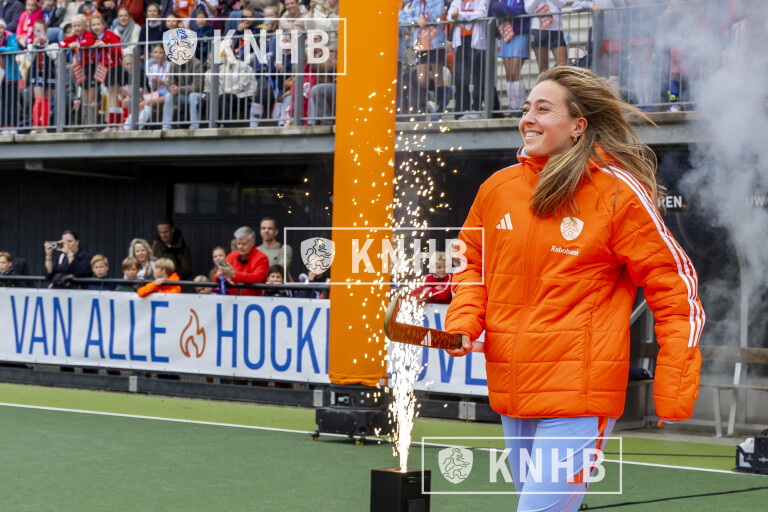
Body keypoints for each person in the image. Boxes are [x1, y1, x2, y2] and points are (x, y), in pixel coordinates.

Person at [444, 66, 704, 511]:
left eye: (543, 109)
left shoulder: (617, 192)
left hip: (580, 394)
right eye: (526, 108)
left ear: (578, 125)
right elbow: (470, 264)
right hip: (512, 389)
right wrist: (465, 320)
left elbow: (674, 285)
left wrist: (675, 382)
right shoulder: (497, 189)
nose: (527, 118)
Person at [447, 0, 500, 120]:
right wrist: (460, 16)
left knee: (479, 78)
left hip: (477, 42)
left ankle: (477, 109)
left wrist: (460, 15)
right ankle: (461, 111)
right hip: (460, 41)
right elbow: (450, 16)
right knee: (460, 78)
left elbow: (481, 14)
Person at [490, 0, 530, 113]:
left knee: (514, 72)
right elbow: (494, 8)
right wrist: (507, 10)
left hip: (520, 33)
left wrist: (503, 10)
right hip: (506, 34)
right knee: (508, 74)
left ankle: (522, 107)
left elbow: (521, 9)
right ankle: (513, 107)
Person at [59, 14, 98, 130]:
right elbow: (62, 43)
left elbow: (90, 42)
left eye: (79, 25)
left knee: (91, 97)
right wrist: (69, 44)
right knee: (84, 97)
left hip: (91, 67)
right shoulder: (74, 37)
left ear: (84, 26)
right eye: (74, 26)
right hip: (81, 68)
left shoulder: (88, 34)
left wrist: (79, 45)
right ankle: (86, 124)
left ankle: (92, 124)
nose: (76, 28)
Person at [90, 14, 124, 131]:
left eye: (98, 24)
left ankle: (113, 124)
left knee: (113, 95)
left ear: (103, 25)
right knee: (112, 95)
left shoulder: (110, 35)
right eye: (93, 25)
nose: (96, 27)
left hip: (114, 66)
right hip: (104, 68)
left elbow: (119, 51)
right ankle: (116, 124)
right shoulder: (94, 38)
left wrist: (105, 46)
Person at [215, 225, 269, 296]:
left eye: (244, 244)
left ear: (253, 242)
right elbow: (216, 275)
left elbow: (257, 278)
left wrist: (233, 274)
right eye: (238, 243)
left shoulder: (262, 258)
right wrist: (219, 276)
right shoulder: (231, 256)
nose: (240, 247)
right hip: (233, 299)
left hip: (254, 300)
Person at [28, 20, 57, 133]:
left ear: (46, 31)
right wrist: (34, 46)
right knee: (38, 99)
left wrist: (46, 44)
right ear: (34, 32)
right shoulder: (31, 44)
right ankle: (36, 125)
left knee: (47, 100)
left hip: (49, 73)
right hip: (36, 73)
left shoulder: (52, 43)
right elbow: (29, 59)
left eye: (42, 31)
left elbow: (54, 55)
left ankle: (44, 126)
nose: (39, 33)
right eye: (37, 31)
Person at [162, 51, 202, 130]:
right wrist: (172, 89)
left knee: (192, 96)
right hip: (182, 95)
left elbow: (198, 86)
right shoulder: (173, 64)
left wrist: (179, 89)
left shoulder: (197, 64)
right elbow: (170, 83)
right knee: (168, 97)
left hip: (197, 95)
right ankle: (166, 127)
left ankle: (194, 127)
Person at [525, 0, 567, 74]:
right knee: (543, 68)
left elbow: (562, 3)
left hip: (556, 28)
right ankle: (546, 81)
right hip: (538, 28)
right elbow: (528, 9)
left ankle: (560, 81)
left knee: (562, 64)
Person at [0, 19, 21, 134]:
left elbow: (14, 48)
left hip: (11, 74)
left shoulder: (10, 36)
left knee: (12, 101)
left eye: (1, 27)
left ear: (4, 28)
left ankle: (13, 126)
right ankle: (4, 126)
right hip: (1, 76)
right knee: (3, 101)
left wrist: (1, 49)